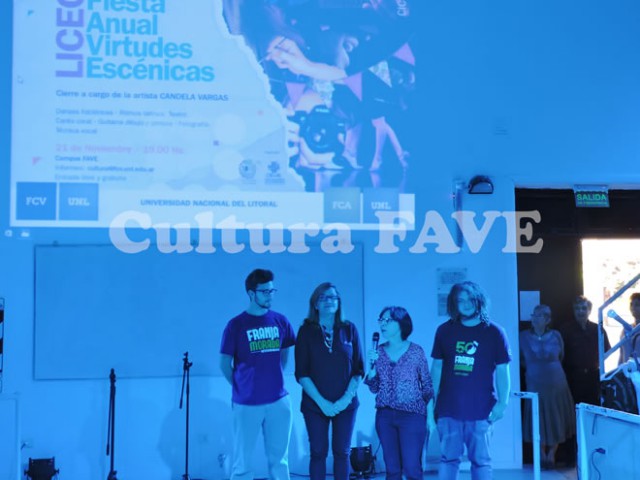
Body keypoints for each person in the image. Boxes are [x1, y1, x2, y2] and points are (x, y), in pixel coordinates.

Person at [427, 281, 512, 480]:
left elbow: (503, 370)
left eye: (470, 299)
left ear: (479, 300)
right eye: (460, 300)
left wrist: (503, 403)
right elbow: (436, 369)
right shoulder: (444, 331)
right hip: (448, 410)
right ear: (453, 304)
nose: (465, 304)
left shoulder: (494, 332)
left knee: (481, 461)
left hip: (482, 411)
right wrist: (430, 405)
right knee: (448, 460)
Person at [220, 269, 296, 480]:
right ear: (251, 293)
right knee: (242, 464)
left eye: (272, 291)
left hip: (278, 401)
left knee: (280, 461)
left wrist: (274, 379)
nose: (270, 296)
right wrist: (241, 386)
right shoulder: (236, 325)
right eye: (265, 292)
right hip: (246, 404)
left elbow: (284, 354)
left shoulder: (280, 321)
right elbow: (224, 364)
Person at [294, 282, 364, 480]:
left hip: (346, 404)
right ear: (315, 304)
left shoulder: (349, 329)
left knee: (342, 452)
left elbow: (359, 369)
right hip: (315, 405)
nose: (328, 301)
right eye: (322, 297)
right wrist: (322, 403)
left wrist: (345, 399)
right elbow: (302, 373)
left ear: (338, 302)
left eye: (332, 297)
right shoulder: (306, 331)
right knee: (318, 453)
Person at [364, 306, 433, 480]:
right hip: (385, 416)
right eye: (381, 320)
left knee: (412, 468)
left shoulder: (416, 351)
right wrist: (371, 368)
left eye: (387, 320)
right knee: (392, 469)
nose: (383, 324)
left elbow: (427, 386)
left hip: (412, 415)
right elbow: (374, 388)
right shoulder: (378, 352)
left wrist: (431, 418)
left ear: (401, 322)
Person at [519, 304, 575, 469]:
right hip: (535, 383)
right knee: (537, 417)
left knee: (556, 417)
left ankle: (552, 454)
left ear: (547, 319)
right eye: (534, 315)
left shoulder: (556, 335)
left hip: (557, 383)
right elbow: (520, 359)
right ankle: (541, 454)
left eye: (539, 316)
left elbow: (561, 355)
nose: (535, 319)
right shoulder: (523, 336)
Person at [559, 295, 611, 406]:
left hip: (593, 378)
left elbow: (606, 352)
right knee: (575, 409)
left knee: (594, 407)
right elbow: (559, 355)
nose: (580, 311)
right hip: (573, 378)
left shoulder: (598, 329)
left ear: (589, 310)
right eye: (577, 308)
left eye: (584, 308)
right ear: (573, 311)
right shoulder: (565, 330)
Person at [618, 292, 640, 364]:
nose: (633, 308)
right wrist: (619, 368)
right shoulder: (626, 329)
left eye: (637, 305)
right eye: (631, 304)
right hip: (627, 368)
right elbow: (622, 353)